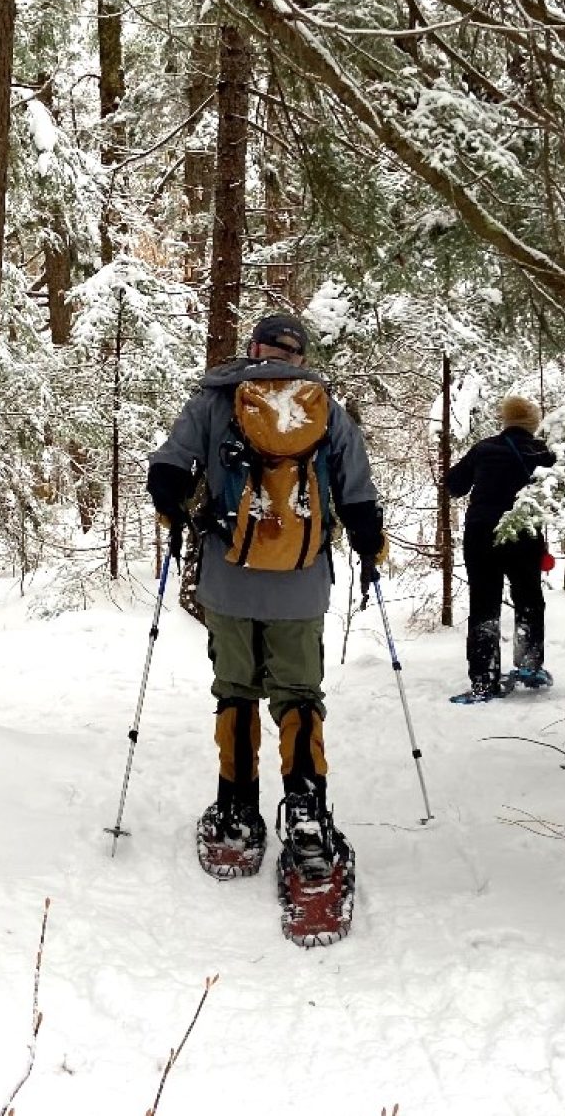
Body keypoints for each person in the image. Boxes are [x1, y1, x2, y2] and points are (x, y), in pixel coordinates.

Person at [146, 313, 384, 900]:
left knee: (236, 689)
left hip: (228, 579)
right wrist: (369, 545)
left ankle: (236, 811)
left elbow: (168, 469)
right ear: (298, 356)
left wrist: (172, 513)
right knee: (299, 694)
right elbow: (357, 492)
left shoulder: (215, 400)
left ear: (253, 349)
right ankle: (306, 813)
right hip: (302, 584)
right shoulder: (324, 406)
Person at [444, 395, 556, 702]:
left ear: (505, 422)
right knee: (529, 598)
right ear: (532, 424)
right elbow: (561, 489)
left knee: (484, 604)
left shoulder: (483, 449)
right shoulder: (543, 452)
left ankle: (484, 681)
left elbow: (453, 484)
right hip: (524, 533)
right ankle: (530, 666)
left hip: (481, 534)